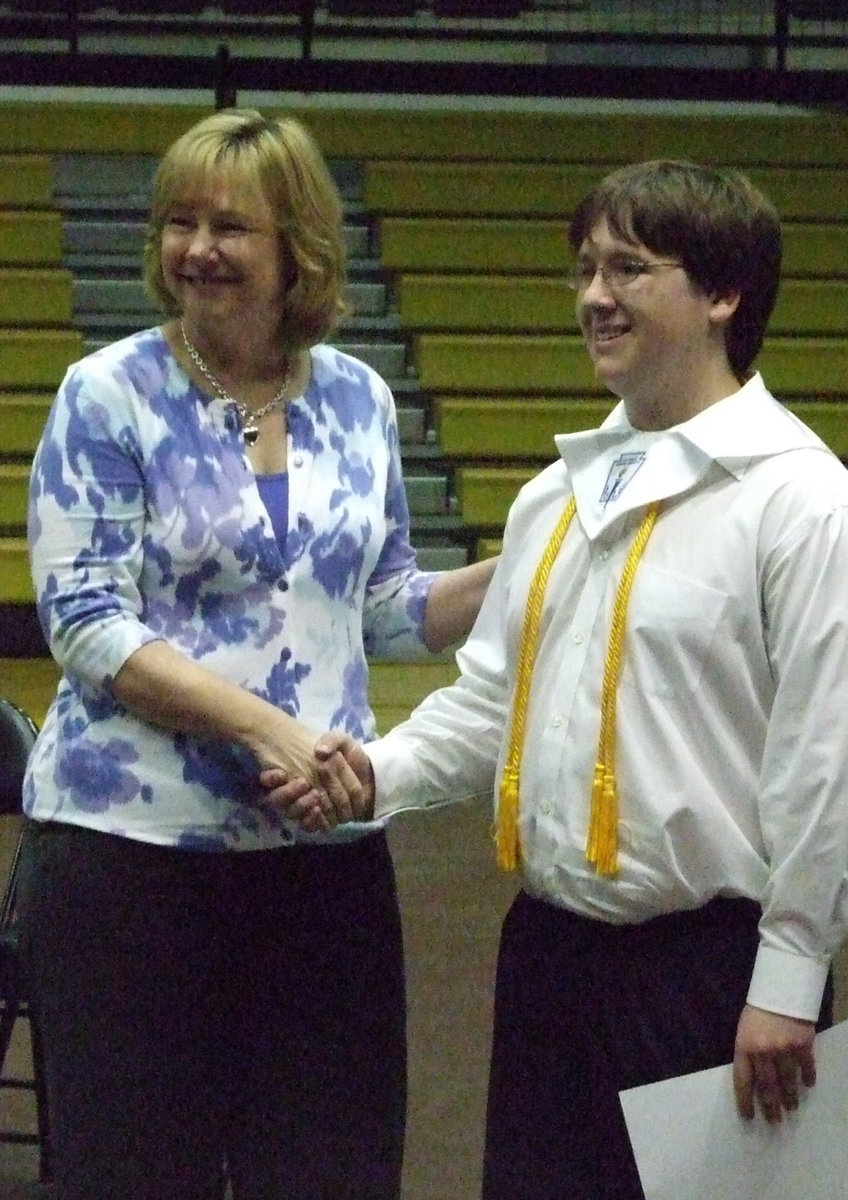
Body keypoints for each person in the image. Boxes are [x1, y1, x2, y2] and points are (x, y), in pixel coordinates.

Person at [265, 159, 848, 1200]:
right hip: (549, 959)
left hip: (713, 975)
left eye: (627, 269)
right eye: (583, 270)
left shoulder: (804, 506)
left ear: (722, 294)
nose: (592, 297)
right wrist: (370, 774)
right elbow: (488, 705)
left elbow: (833, 763)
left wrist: (787, 978)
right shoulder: (554, 498)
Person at [19, 107, 493, 1200]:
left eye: (228, 226)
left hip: (321, 865)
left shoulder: (357, 401)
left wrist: (526, 566)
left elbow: (378, 605)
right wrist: (272, 729)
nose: (196, 249)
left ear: (299, 251)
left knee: (329, 1172)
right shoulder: (108, 396)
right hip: (132, 864)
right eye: (178, 223)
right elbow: (89, 625)